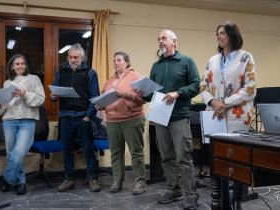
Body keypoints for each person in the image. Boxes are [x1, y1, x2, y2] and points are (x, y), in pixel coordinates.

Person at [200, 21, 256, 210]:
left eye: (222, 33)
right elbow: (203, 87)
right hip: (215, 117)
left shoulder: (246, 58)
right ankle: (219, 201)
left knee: (237, 162)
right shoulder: (212, 60)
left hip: (237, 117)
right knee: (217, 161)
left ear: (232, 35)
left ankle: (237, 201)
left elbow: (250, 89)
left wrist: (224, 103)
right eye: (217, 33)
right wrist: (213, 102)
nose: (219, 36)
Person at [143, 29, 200, 210]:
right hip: (160, 117)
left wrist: (178, 93)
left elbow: (196, 85)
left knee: (183, 157)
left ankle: (191, 194)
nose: (160, 41)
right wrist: (143, 93)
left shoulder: (186, 61)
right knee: (166, 157)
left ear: (174, 41)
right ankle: (173, 189)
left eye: (164, 38)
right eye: (158, 38)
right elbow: (152, 94)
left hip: (179, 117)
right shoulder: (156, 66)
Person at [50, 43, 101, 192]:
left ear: (82, 57)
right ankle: (69, 179)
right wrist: (53, 97)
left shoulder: (90, 73)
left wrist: (88, 116)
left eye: (76, 57)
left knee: (88, 149)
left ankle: (93, 178)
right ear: (68, 57)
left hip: (83, 117)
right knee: (66, 150)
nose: (73, 60)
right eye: (71, 57)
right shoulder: (61, 72)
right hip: (66, 117)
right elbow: (54, 94)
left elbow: (94, 96)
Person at [0, 54, 45, 195]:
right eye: (17, 64)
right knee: (11, 153)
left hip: (27, 120)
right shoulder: (7, 83)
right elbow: (1, 110)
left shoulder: (34, 79)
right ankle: (21, 182)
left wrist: (25, 94)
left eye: (23, 63)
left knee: (18, 153)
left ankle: (7, 179)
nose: (20, 66)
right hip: (9, 120)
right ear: (12, 66)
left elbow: (41, 99)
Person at [99, 52, 146, 195]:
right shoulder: (109, 80)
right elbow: (103, 97)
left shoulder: (136, 77)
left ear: (127, 62)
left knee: (136, 152)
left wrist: (128, 94)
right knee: (115, 153)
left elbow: (143, 99)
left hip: (132, 119)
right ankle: (117, 181)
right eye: (114, 60)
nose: (115, 63)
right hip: (112, 120)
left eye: (119, 60)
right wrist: (101, 105)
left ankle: (140, 182)